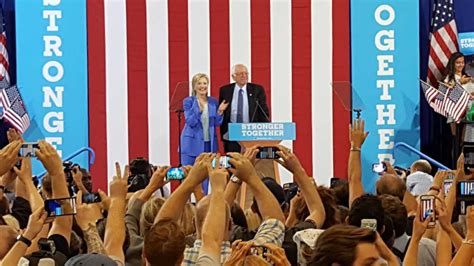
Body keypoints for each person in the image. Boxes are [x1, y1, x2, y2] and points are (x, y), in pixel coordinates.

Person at [181, 73, 228, 193]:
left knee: (206, 177)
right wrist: (199, 108)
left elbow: (217, 123)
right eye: (199, 83)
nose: (203, 86)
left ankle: (203, 203)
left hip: (209, 144)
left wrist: (220, 111)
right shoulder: (189, 101)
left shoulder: (213, 101)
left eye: (205, 83)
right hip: (191, 144)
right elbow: (190, 121)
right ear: (194, 86)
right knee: (188, 177)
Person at [219, 64, 270, 152]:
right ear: (233, 77)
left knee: (250, 162)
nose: (244, 76)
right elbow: (222, 112)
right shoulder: (225, 90)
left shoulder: (257, 90)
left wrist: (264, 133)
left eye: (246, 73)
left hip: (251, 133)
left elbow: (263, 112)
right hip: (231, 133)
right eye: (240, 74)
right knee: (233, 162)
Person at [444, 52, 474, 136]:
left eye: (462, 62)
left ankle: (462, 148)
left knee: (465, 137)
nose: (461, 65)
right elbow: (451, 95)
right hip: (456, 109)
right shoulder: (449, 78)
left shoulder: (467, 76)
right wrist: (459, 82)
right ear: (452, 63)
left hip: (469, 110)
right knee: (456, 136)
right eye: (458, 63)